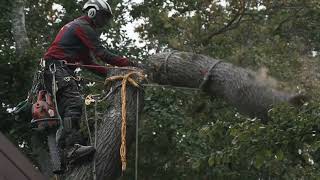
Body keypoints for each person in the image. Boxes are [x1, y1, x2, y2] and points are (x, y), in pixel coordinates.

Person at [43, 0, 131, 165]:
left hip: (54, 71)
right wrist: (129, 64)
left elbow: (89, 64)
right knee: (74, 103)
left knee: (70, 109)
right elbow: (102, 54)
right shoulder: (82, 26)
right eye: (103, 16)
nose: (104, 22)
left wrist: (113, 73)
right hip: (56, 69)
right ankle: (70, 150)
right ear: (92, 12)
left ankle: (66, 153)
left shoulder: (79, 31)